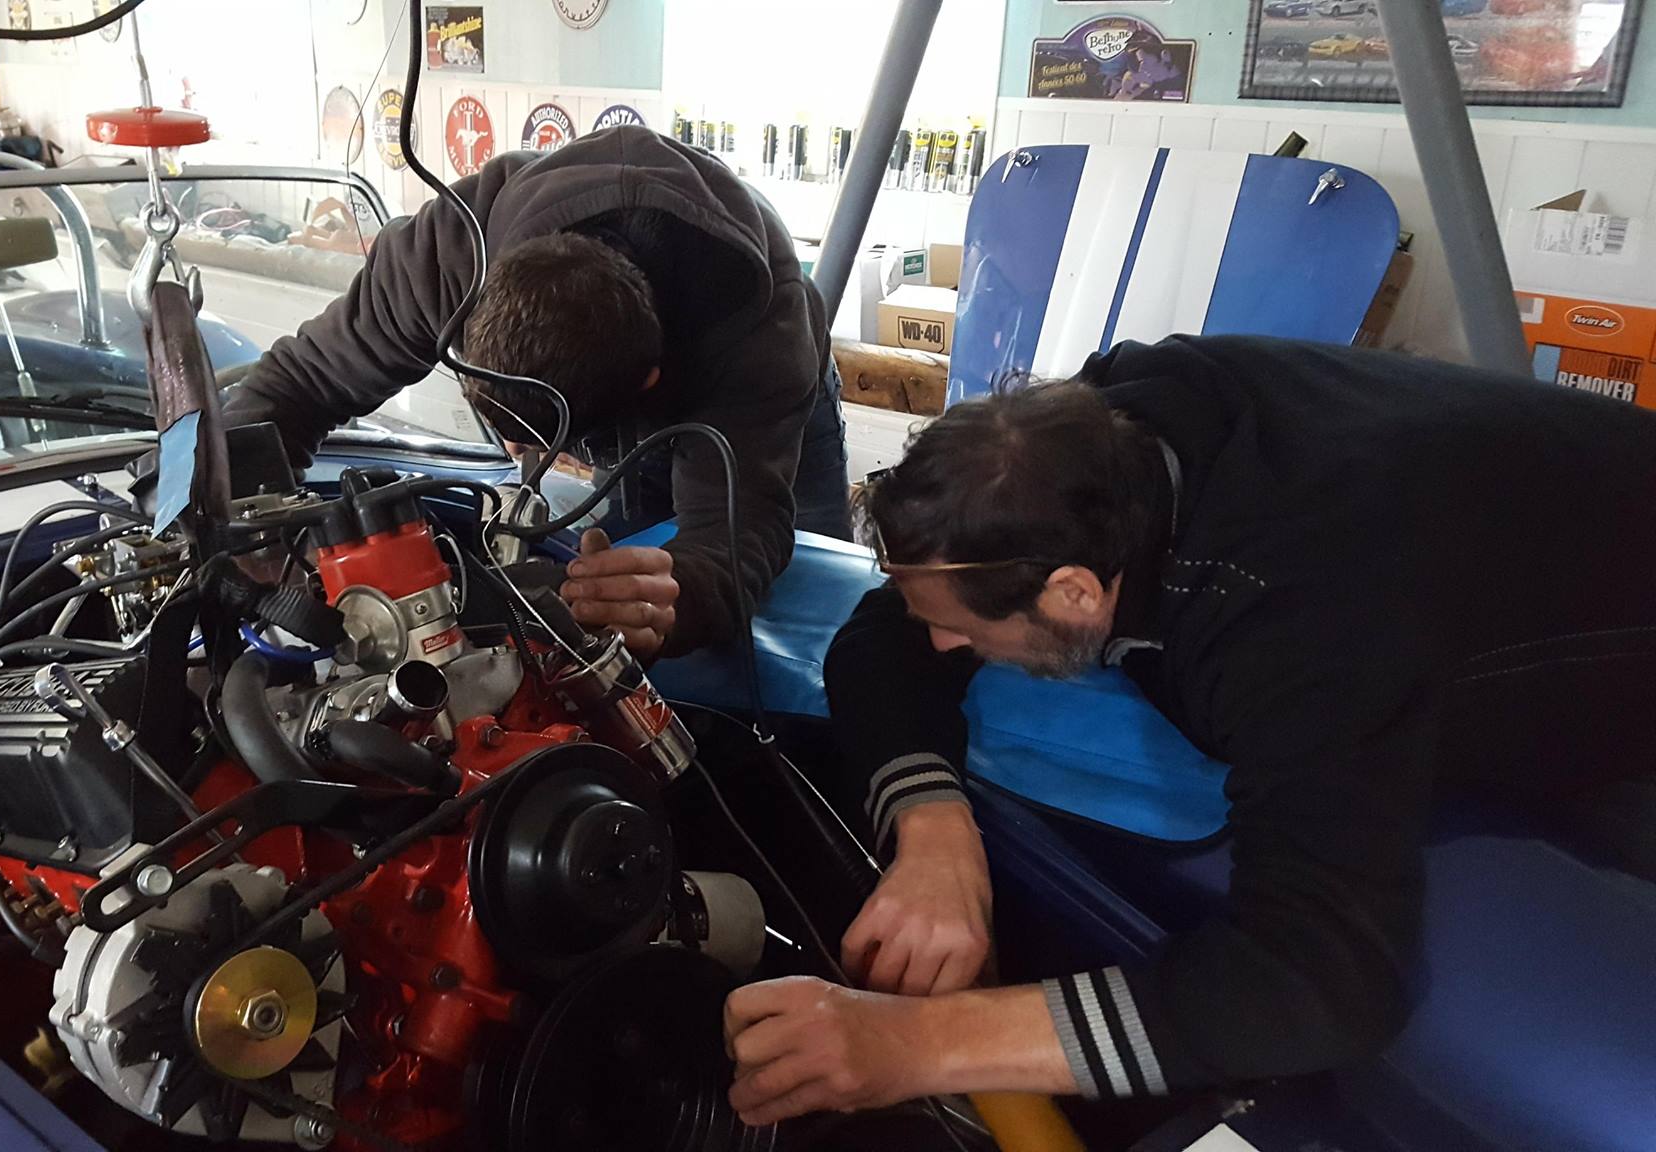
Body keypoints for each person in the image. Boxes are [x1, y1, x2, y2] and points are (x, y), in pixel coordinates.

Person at [723, 334, 1656, 1121]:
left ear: (1074, 594)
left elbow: (1323, 978)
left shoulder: (1295, 625)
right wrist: (935, 832)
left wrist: (914, 1046)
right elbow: (888, 635)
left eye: (963, 632)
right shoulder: (1104, 431)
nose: (940, 642)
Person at [225, 125, 850, 660]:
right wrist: (238, 520)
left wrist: (677, 600)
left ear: (645, 387)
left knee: (821, 621)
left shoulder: (758, 337)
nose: (517, 453)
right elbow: (296, 384)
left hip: (769, 410)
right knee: (618, 584)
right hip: (628, 370)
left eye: (541, 440)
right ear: (469, 319)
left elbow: (736, 533)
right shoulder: (445, 258)